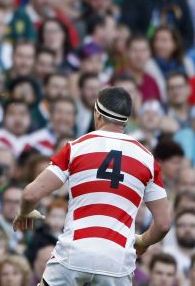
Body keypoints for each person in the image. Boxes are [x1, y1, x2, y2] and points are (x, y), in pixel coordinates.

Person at [14, 86, 171, 286]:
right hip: (118, 261)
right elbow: (164, 224)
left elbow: (30, 195)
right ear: (127, 119)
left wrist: (25, 212)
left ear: (97, 114)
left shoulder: (76, 147)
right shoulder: (147, 159)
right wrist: (143, 241)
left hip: (73, 254)